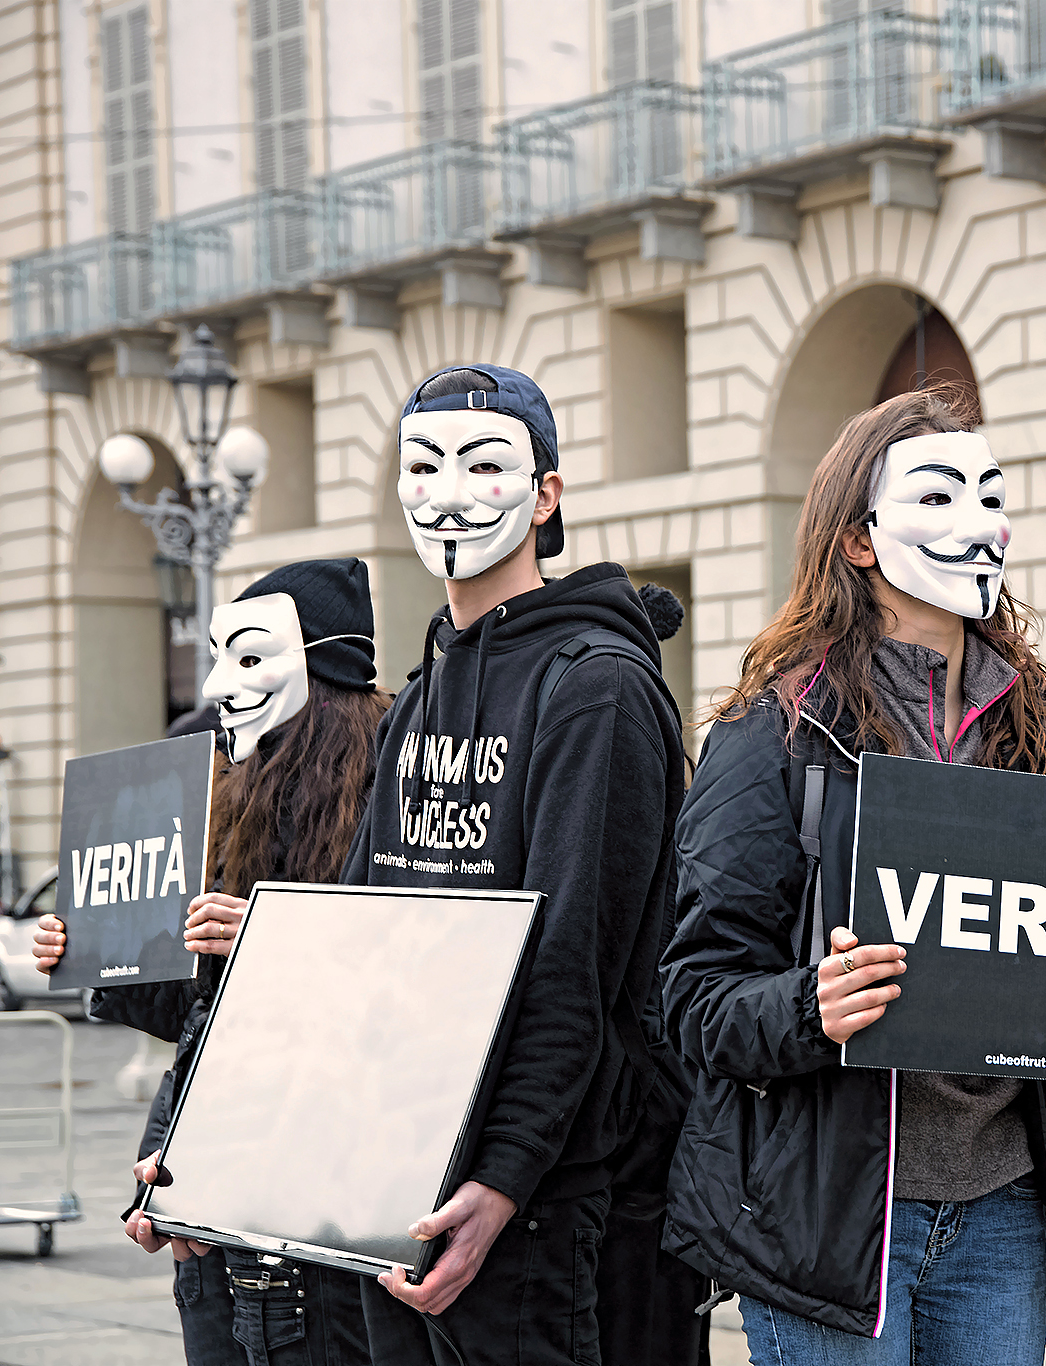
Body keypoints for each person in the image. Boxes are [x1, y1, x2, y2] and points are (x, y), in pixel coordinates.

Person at [658, 388, 1046, 1364]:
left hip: (1001, 1212)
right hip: (833, 1224)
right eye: (937, 499)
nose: (976, 525)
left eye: (989, 497)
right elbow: (693, 995)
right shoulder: (775, 732)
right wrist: (811, 1006)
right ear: (856, 541)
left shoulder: (1045, 731)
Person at [336, 364, 694, 1366]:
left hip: (544, 1200)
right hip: (401, 1174)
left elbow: (572, 956)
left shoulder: (598, 687)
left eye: (484, 463)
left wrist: (503, 1178)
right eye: (421, 465)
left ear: (546, 496)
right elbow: (358, 933)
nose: (447, 492)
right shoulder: (414, 698)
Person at [33, 558, 387, 1366]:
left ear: (325, 670)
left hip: (322, 1199)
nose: (223, 684)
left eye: (252, 656)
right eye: (218, 657)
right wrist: (96, 953)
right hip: (206, 1189)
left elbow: (405, 985)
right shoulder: (228, 791)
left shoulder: (387, 794)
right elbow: (197, 1010)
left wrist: (276, 934)